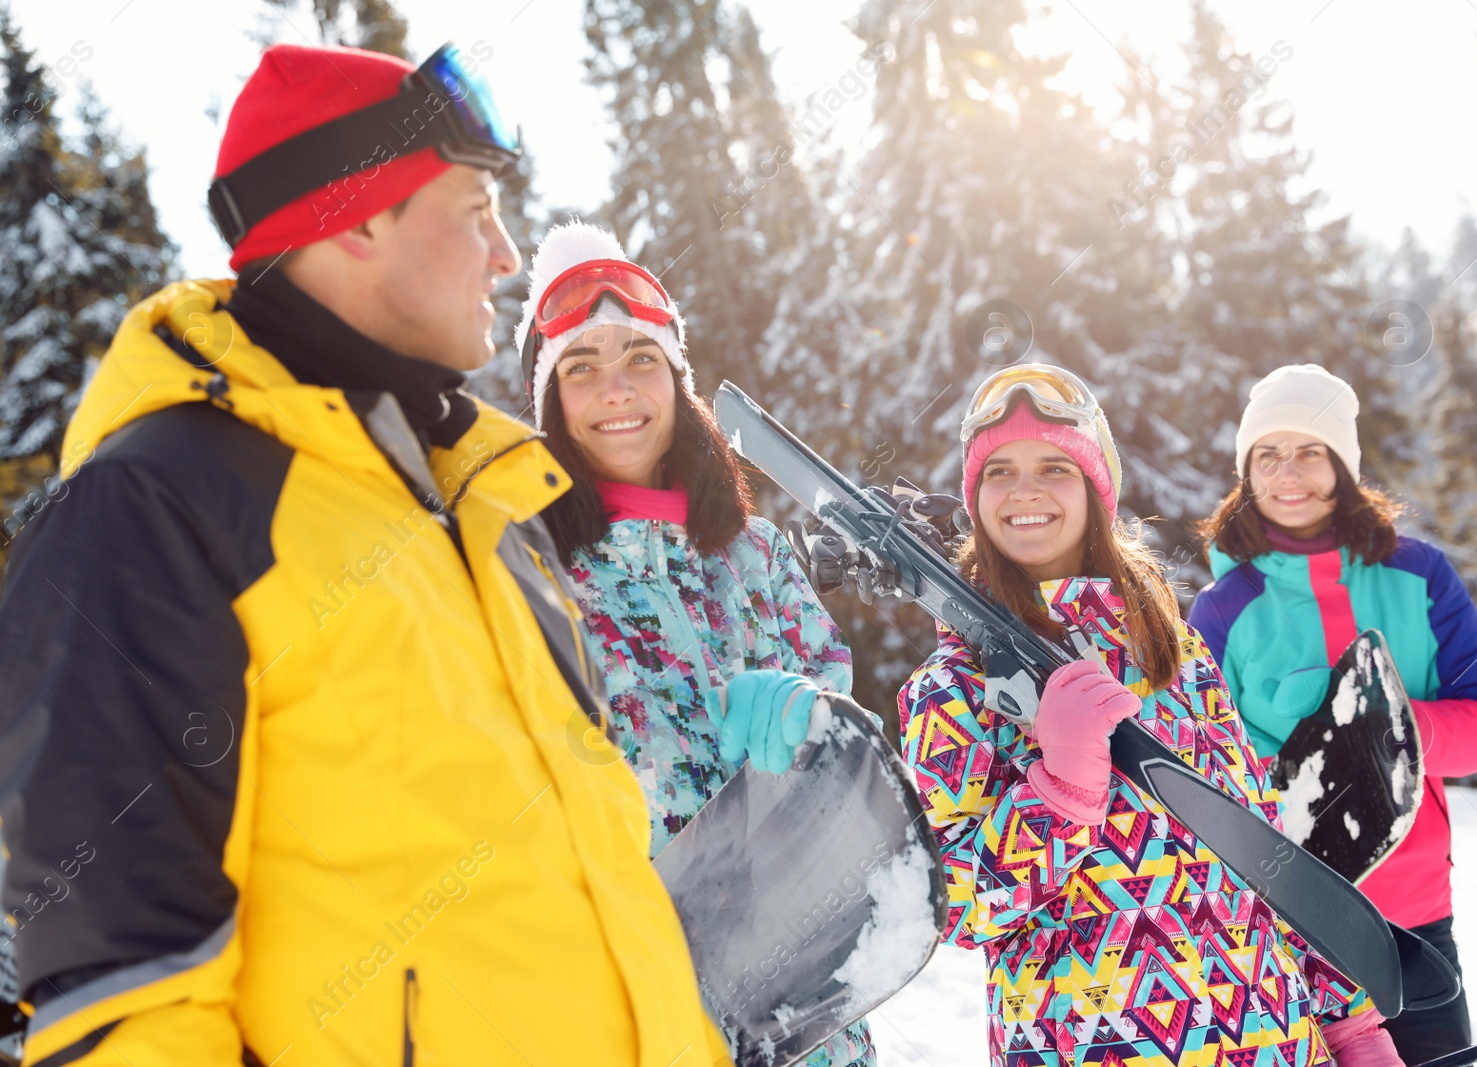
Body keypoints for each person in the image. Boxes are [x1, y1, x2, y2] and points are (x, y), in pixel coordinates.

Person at [0, 44, 731, 1067]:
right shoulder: (162, 505)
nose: (508, 253)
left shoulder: (486, 504)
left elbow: (598, 888)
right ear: (352, 218)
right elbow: (127, 999)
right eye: (477, 210)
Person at [898, 363, 1401, 1067]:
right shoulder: (954, 686)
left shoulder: (1175, 650)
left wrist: (1349, 1023)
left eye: (1054, 466)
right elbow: (950, 905)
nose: (1026, 491)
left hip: (1271, 1041)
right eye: (999, 472)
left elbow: (1266, 855)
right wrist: (1059, 794)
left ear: (1097, 489)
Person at [514, 220, 875, 1066]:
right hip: (632, 1005)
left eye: (641, 358)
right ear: (550, 401)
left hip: (803, 1008)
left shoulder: (757, 555)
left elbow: (853, 763)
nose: (617, 390)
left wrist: (812, 720)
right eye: (582, 366)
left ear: (677, 381)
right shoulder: (526, 569)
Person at [1191, 363, 1477, 1064]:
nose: (1288, 473)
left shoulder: (1421, 576)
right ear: (1248, 472)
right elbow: (1209, 770)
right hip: (1287, 925)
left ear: (1342, 462)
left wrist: (1396, 727)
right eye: (1267, 456)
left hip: (1416, 919)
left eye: (1310, 450)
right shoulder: (1224, 609)